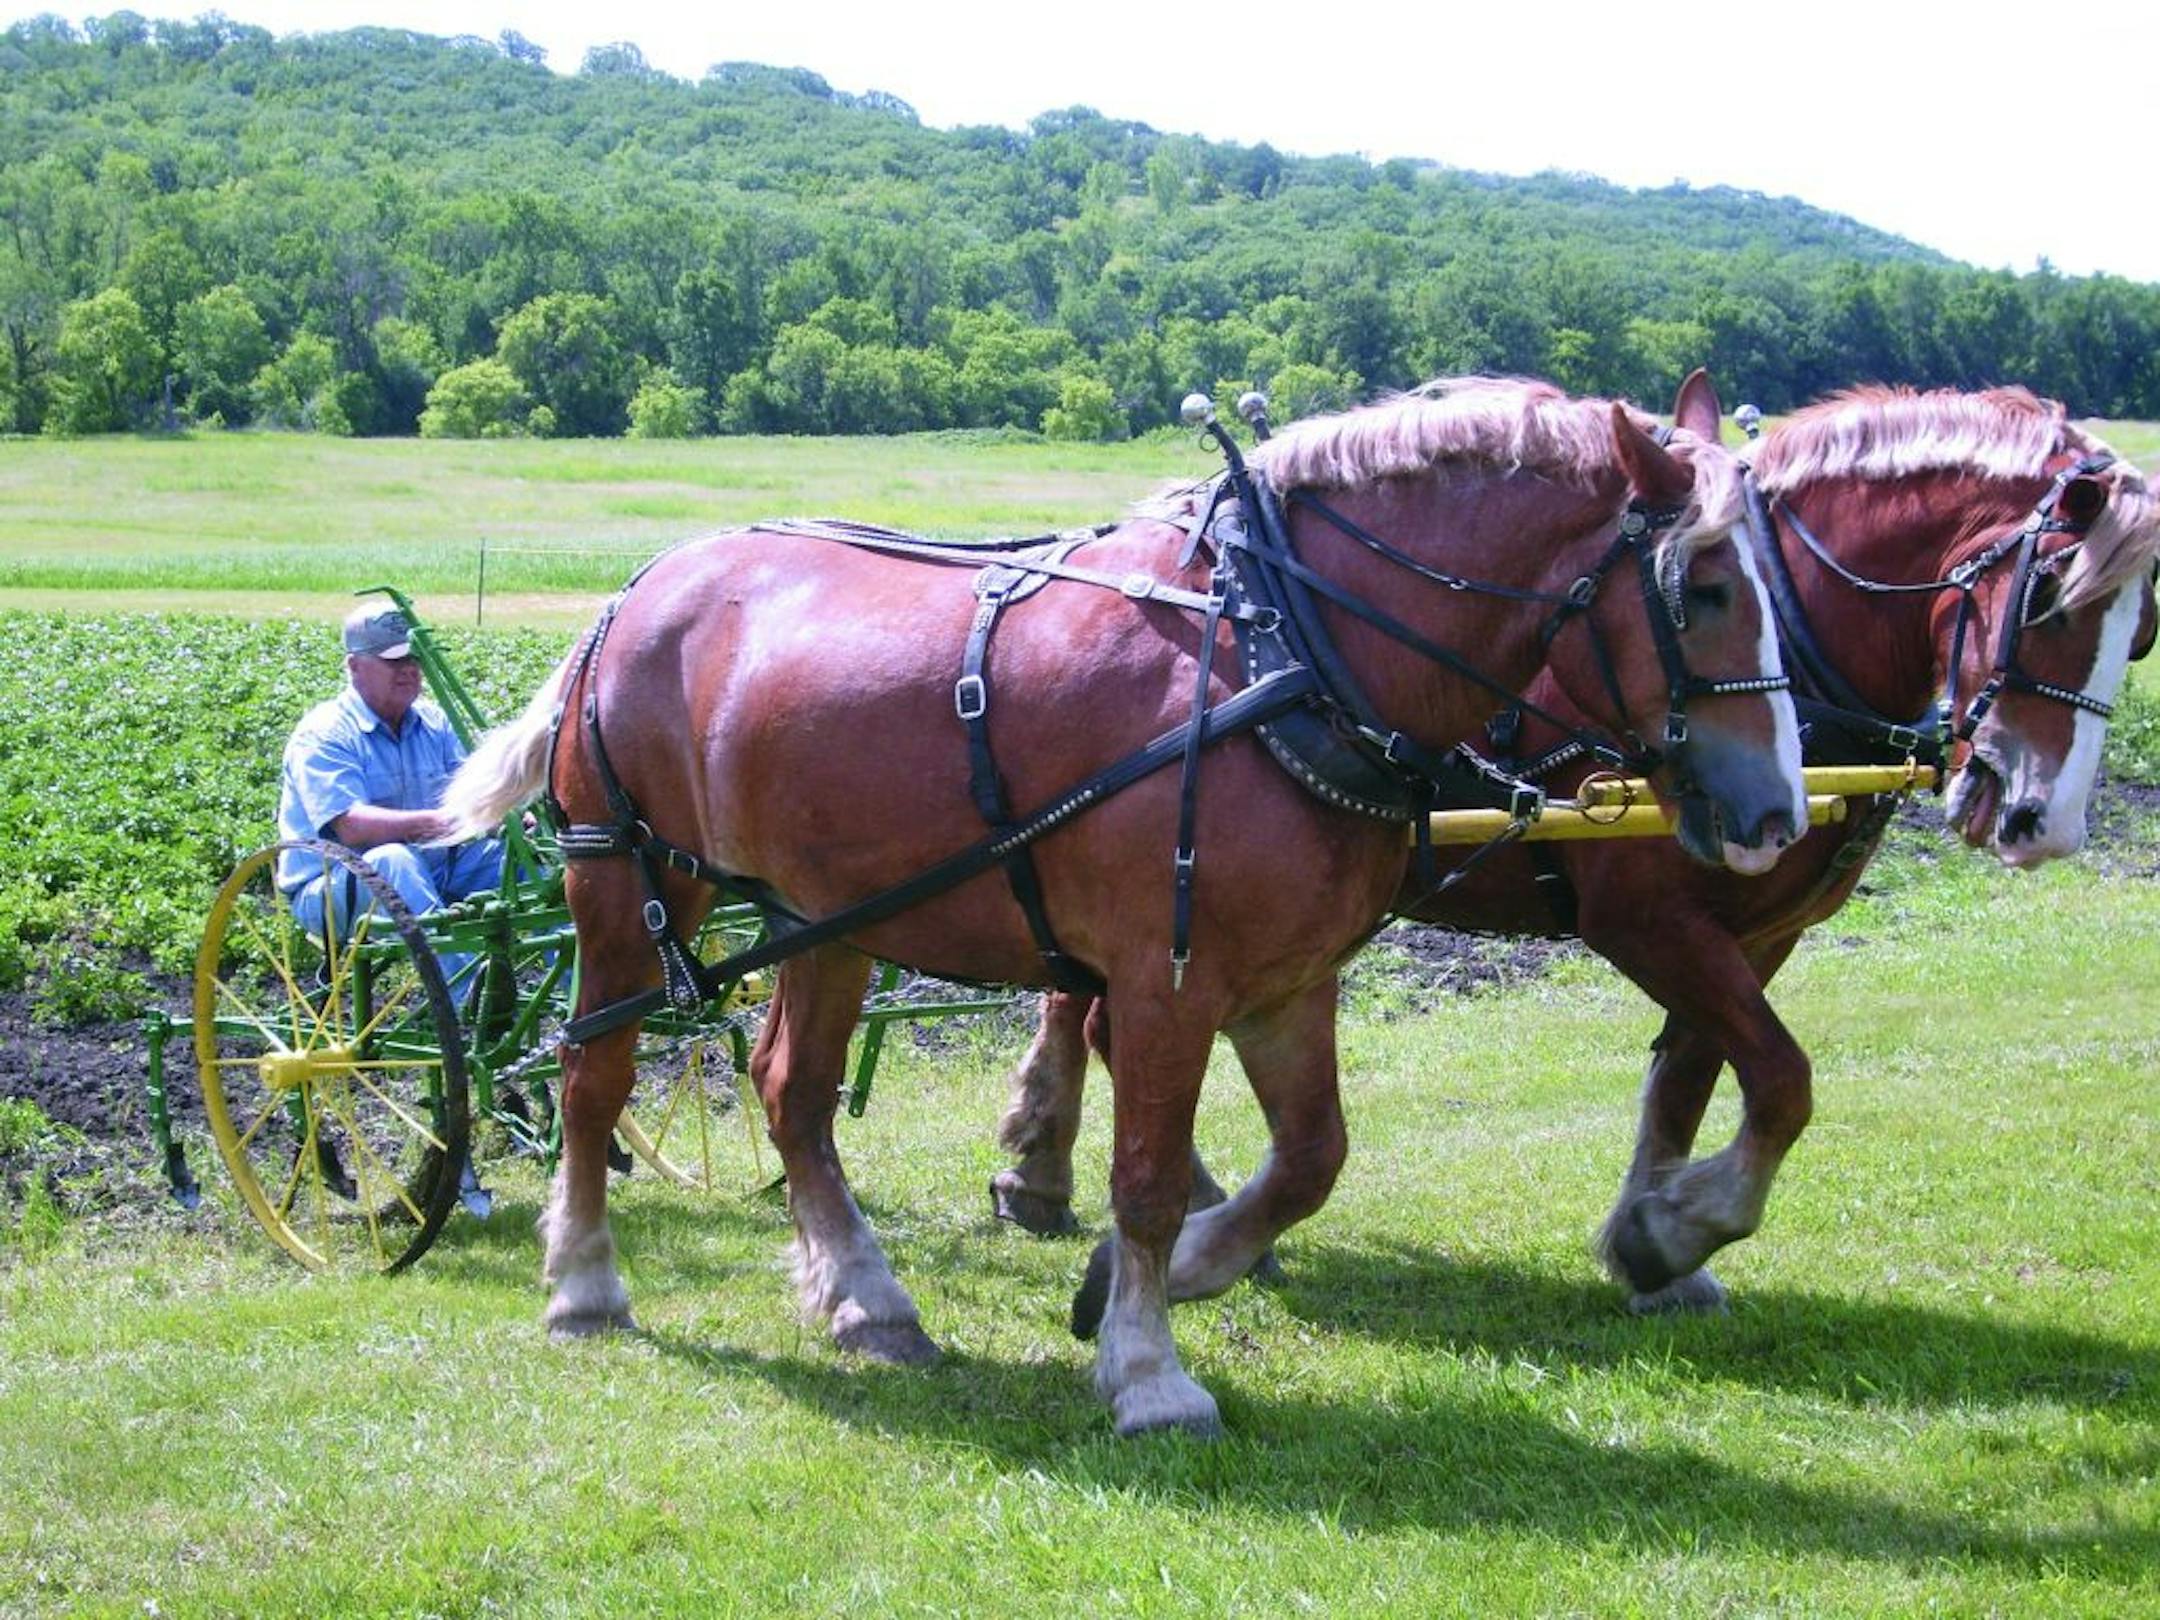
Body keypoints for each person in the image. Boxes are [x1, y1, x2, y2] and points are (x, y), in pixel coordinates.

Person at [275, 603, 503, 996]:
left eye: (413, 658)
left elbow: (471, 793)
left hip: (434, 866)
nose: (409, 669)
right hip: (333, 888)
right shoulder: (324, 732)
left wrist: (505, 817)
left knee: (516, 858)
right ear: (354, 666)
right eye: (393, 661)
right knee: (391, 859)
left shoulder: (435, 722)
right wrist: (437, 822)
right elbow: (350, 826)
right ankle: (469, 997)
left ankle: (586, 1001)